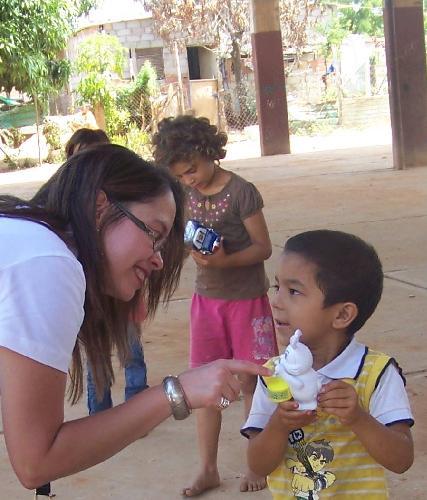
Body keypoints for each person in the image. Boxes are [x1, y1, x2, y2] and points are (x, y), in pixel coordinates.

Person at [0, 143, 271, 492]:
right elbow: (37, 461)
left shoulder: (29, 235)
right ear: (99, 207)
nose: (158, 260)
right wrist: (177, 392)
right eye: (154, 235)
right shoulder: (49, 263)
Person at [152, 115, 278, 496]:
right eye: (181, 175)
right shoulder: (184, 195)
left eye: (192, 170)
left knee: (253, 381)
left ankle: (257, 462)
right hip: (207, 302)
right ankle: (208, 468)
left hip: (246, 302)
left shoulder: (241, 192)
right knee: (207, 385)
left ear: (209, 152)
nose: (189, 180)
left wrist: (225, 261)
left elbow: (263, 247)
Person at [242, 230, 414, 499]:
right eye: (278, 287)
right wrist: (279, 424)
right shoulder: (273, 375)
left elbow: (401, 459)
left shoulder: (376, 373)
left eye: (294, 291)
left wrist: (358, 418)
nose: (276, 302)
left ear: (343, 314)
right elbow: (258, 464)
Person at [64, 128, 150, 415]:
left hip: (123, 288)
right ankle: (99, 412)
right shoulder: (69, 205)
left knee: (130, 346)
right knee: (96, 355)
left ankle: (137, 403)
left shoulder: (125, 199)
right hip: (89, 291)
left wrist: (139, 291)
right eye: (82, 159)